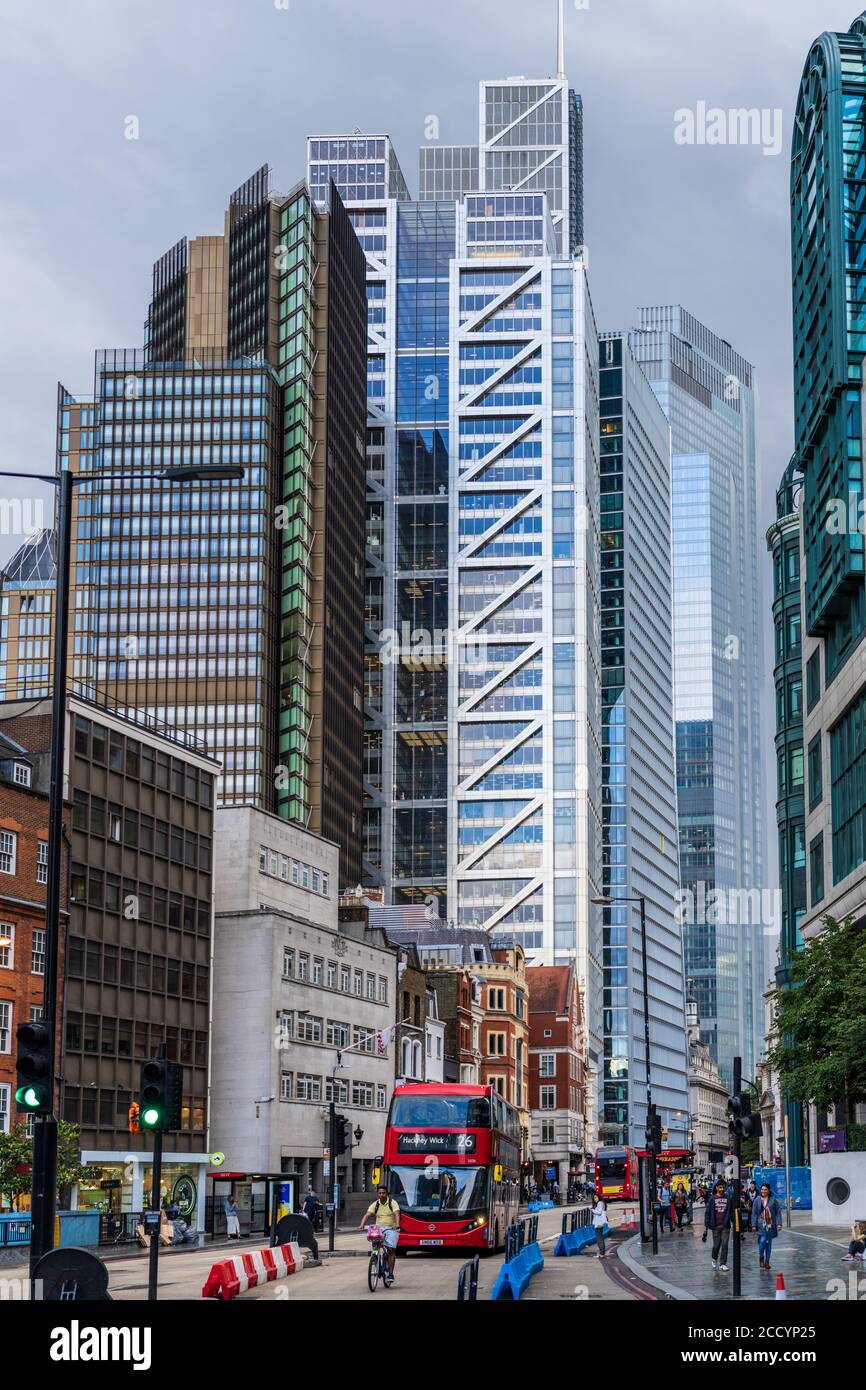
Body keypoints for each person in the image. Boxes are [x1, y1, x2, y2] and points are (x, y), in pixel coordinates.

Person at [360, 1184, 401, 1281]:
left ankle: (390, 1274)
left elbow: (397, 1213)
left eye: (383, 1193)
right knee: (375, 1244)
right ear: (377, 1194)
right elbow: (367, 1214)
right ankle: (375, 1258)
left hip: (391, 1228)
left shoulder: (392, 1203)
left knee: (390, 1250)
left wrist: (397, 1224)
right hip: (379, 1228)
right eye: (379, 1193)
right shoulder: (376, 1204)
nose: (381, 1195)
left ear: (387, 1194)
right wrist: (362, 1225)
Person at [702, 1178, 733, 1271]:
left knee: (725, 1244)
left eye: (724, 1187)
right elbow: (707, 1212)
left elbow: (730, 1211)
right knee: (716, 1245)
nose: (722, 1189)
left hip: (725, 1226)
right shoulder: (712, 1198)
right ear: (716, 1188)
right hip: (715, 1226)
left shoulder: (728, 1198)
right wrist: (707, 1225)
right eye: (720, 1187)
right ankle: (714, 1258)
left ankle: (723, 1263)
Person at [751, 1183, 782, 1270]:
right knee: (762, 1241)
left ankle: (767, 1261)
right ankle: (761, 1257)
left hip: (770, 1225)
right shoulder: (757, 1200)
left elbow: (778, 1212)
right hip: (761, 1225)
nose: (763, 1191)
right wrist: (753, 1224)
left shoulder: (773, 1200)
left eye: (765, 1189)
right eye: (762, 1189)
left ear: (769, 1191)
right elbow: (753, 1213)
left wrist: (779, 1224)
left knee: (769, 1244)